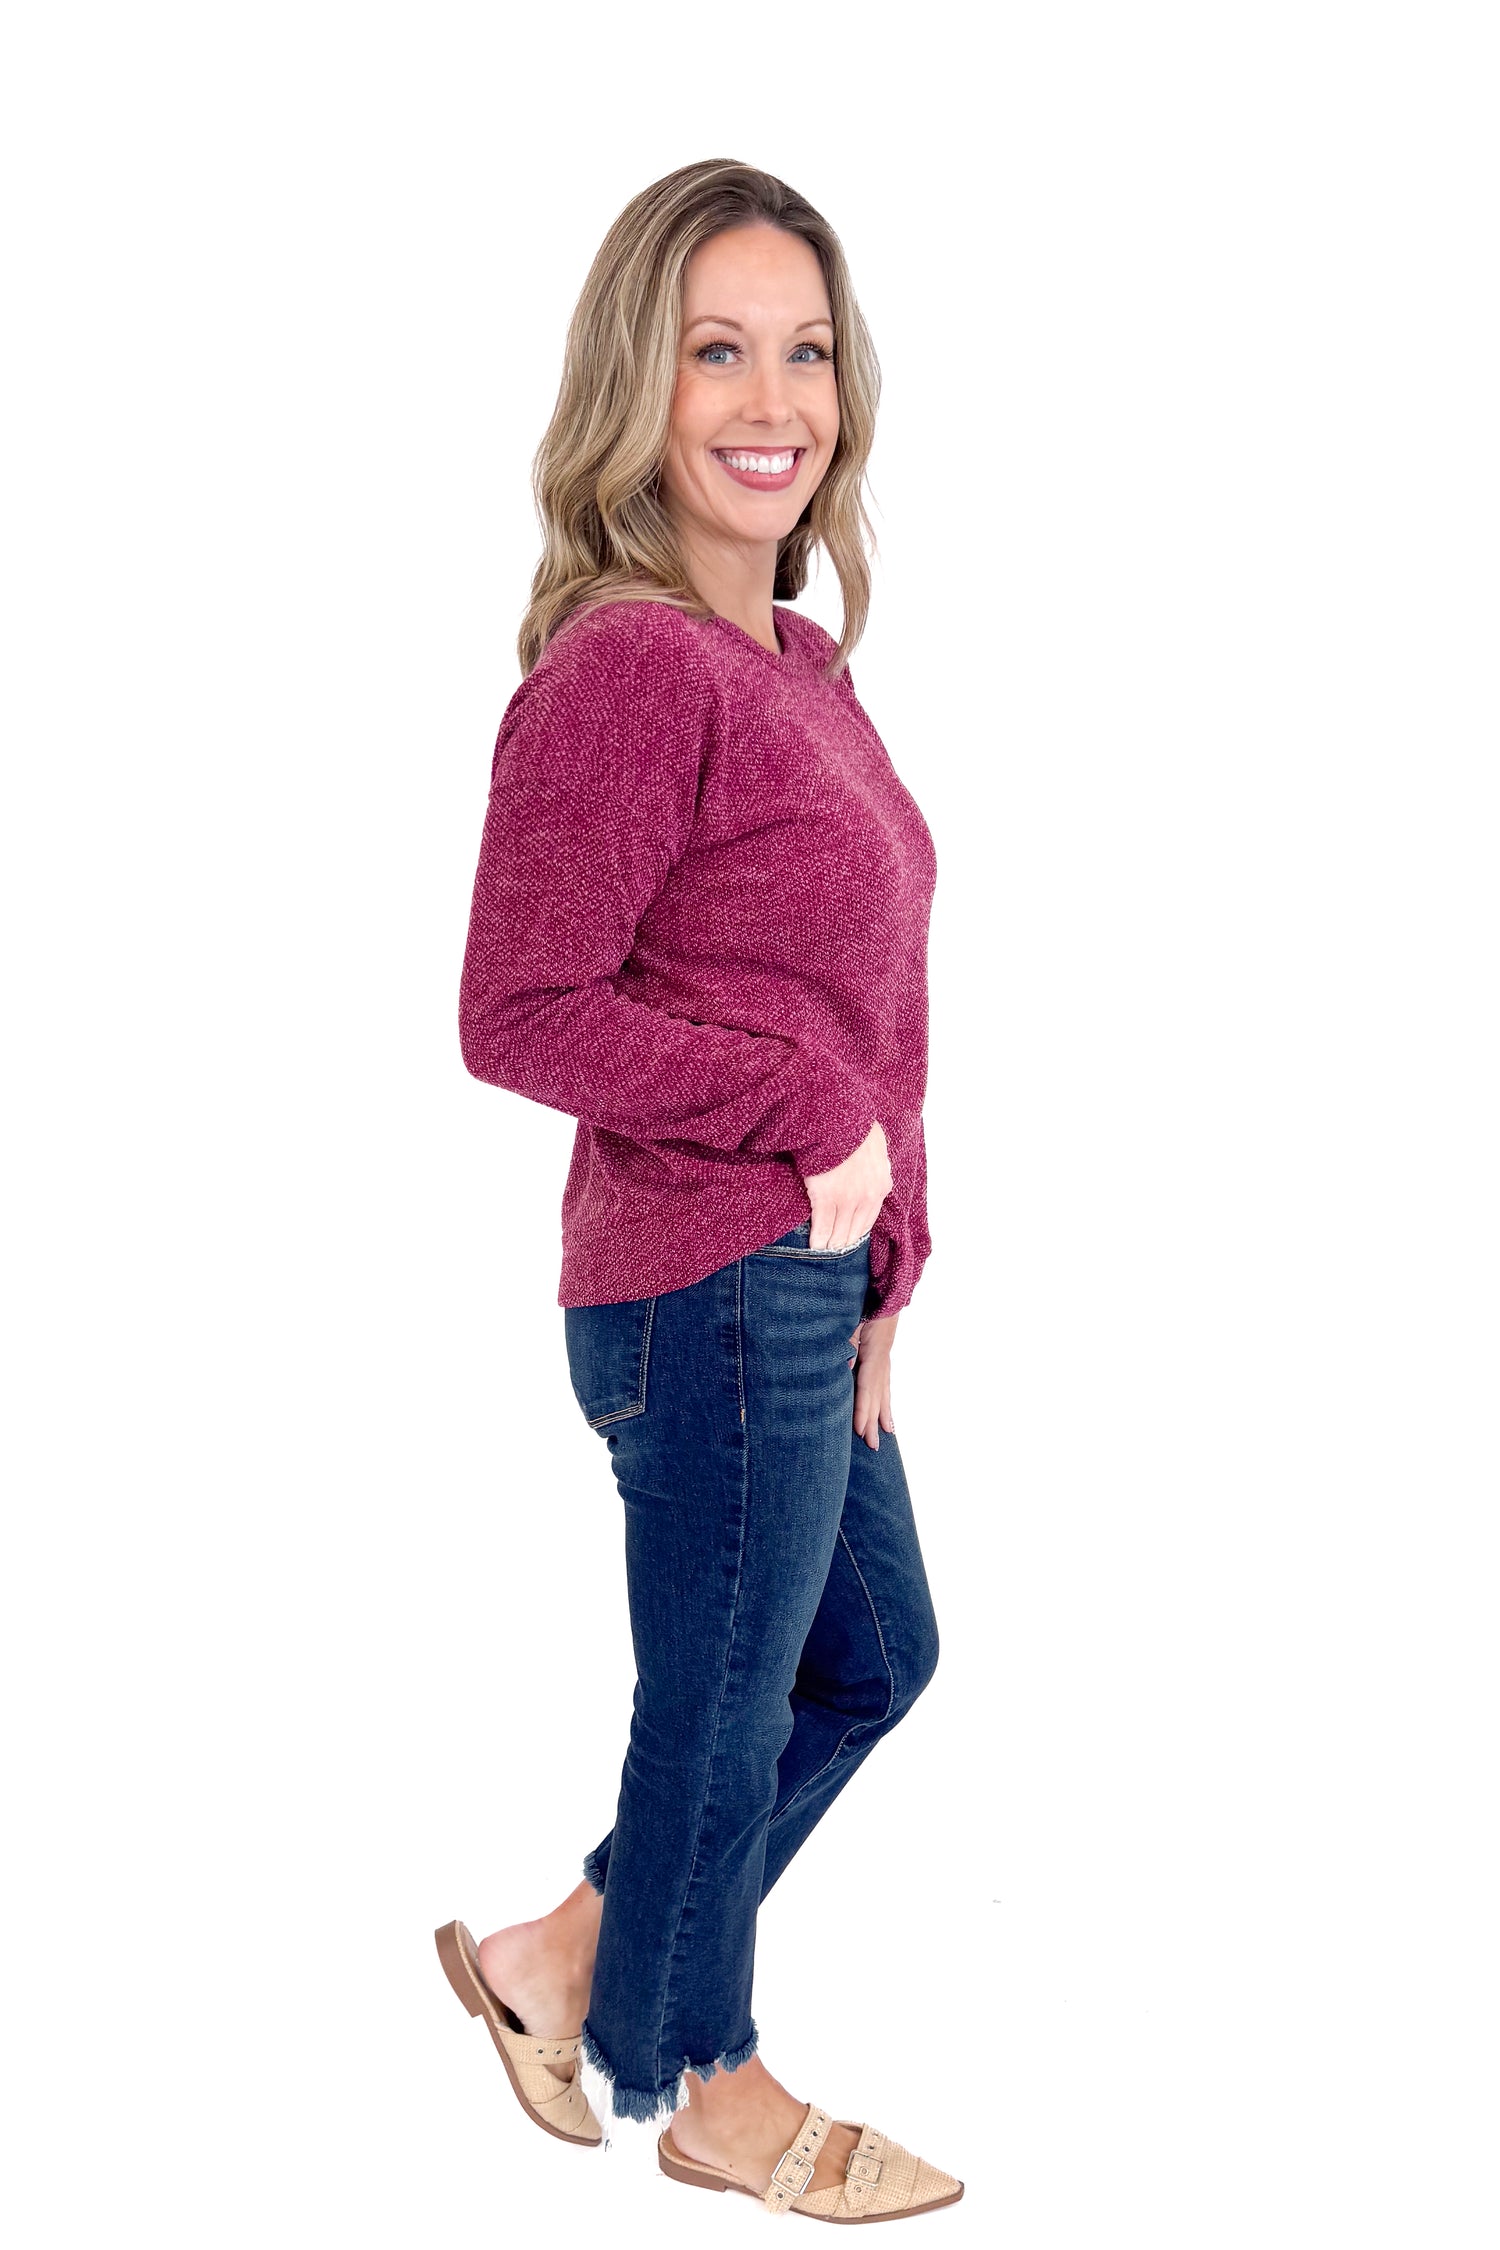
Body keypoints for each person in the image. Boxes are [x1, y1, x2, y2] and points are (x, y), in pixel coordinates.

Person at [437, 159, 961, 2225]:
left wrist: (892, 1254)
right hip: (704, 1276)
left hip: (806, 1279)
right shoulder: (633, 669)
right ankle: (704, 2082)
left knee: (869, 1658)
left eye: (805, 348)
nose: (773, 396)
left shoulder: (799, 671)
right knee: (728, 1703)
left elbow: (865, 1007)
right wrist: (807, 1133)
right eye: (715, 349)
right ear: (635, 392)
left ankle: (557, 1963)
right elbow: (516, 1010)